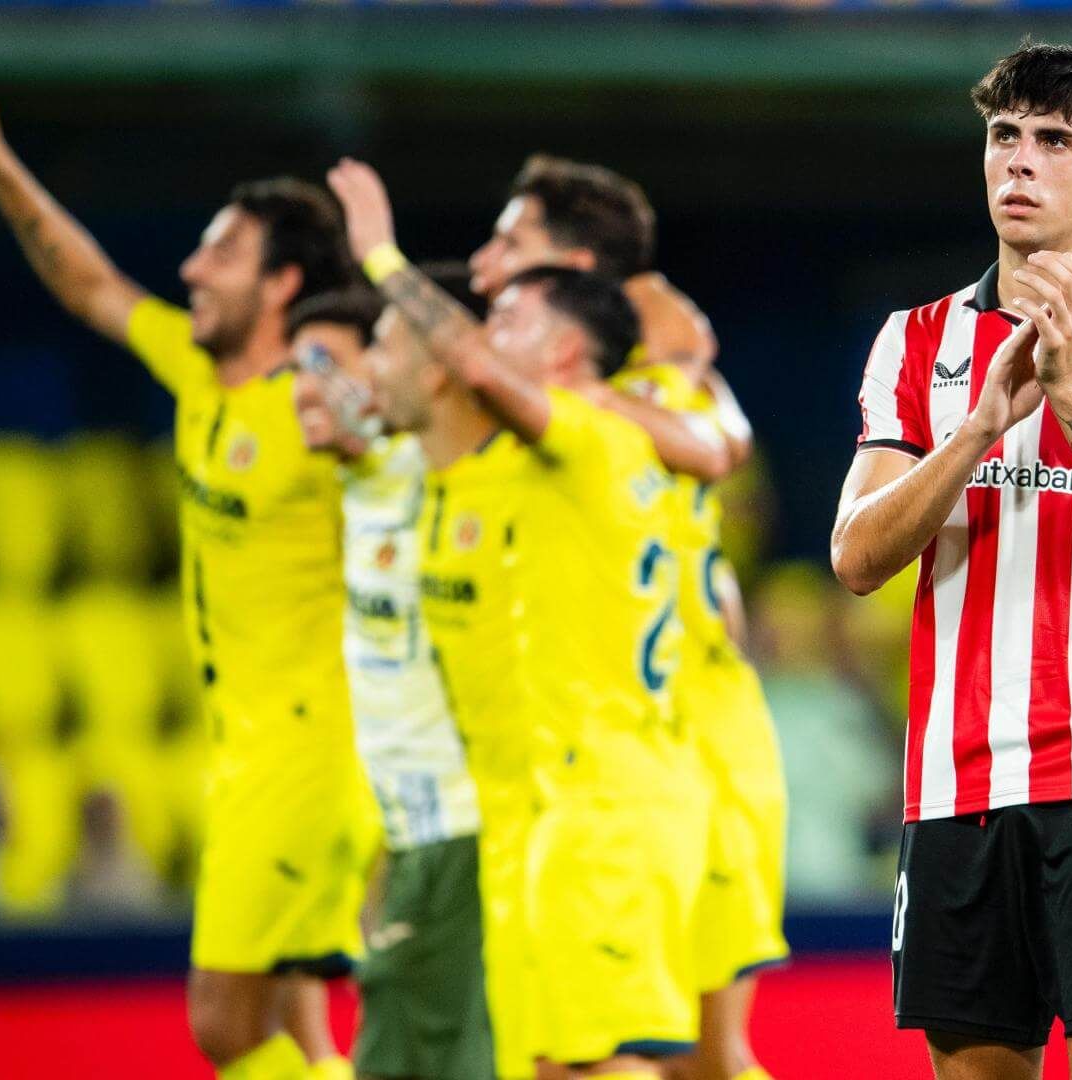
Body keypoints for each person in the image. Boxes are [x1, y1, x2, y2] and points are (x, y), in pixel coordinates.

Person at [0, 87, 370, 1080]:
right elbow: (89, 284)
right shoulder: (195, 369)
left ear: (283, 282)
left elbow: (405, 464)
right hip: (249, 744)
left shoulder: (319, 420)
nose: (191, 269)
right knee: (300, 1027)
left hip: (304, 755)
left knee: (222, 1022)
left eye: (220, 253)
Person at [830, 42, 1072, 1080]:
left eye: (1054, 139)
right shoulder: (915, 342)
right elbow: (857, 554)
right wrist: (974, 430)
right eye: (1004, 136)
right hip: (955, 776)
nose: (1018, 160)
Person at [331, 158, 709, 1080]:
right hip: (534, 810)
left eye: (511, 321)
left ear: (568, 354)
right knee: (550, 1063)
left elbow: (464, 362)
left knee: (602, 1062)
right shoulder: (502, 473)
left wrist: (380, 255)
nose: (486, 333)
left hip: (608, 804)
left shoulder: (595, 439)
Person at [470, 154, 784, 1080]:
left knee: (697, 1055)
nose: (489, 258)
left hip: (691, 728)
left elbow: (722, 443)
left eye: (511, 241)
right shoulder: (543, 363)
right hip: (588, 739)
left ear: (572, 267)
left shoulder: (652, 343)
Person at [289, 280, 496, 1080]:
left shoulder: (429, 469)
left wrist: (380, 252)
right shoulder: (356, 482)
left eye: (338, 359)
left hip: (462, 830)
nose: (315, 384)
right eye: (298, 367)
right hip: (407, 838)